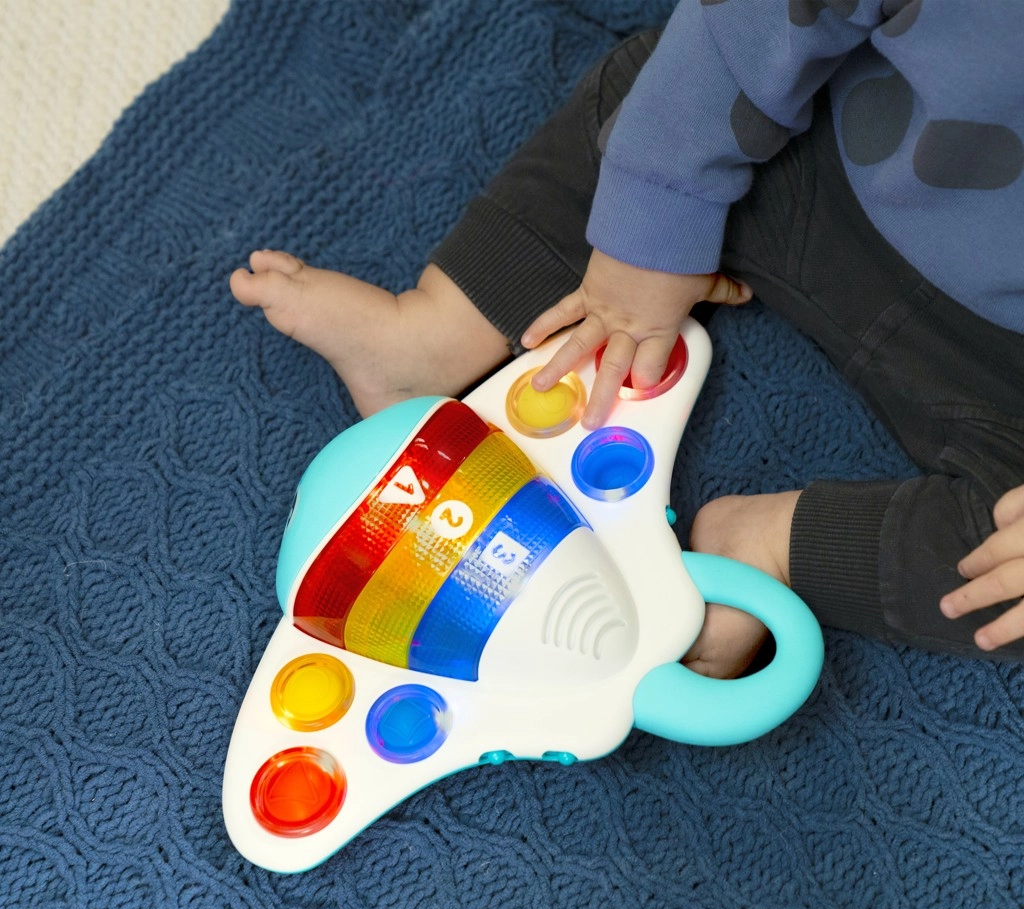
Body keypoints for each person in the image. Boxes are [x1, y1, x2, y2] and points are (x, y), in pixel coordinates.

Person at [231, 1, 1024, 678]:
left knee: (1005, 580)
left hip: (1003, 384)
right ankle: (437, 332)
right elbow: (750, 30)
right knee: (659, 106)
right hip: (832, 160)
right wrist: (655, 216)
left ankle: (768, 550)